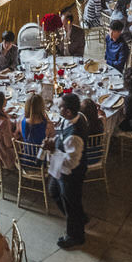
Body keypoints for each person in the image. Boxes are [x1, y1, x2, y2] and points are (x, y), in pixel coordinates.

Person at [44, 93, 88, 249]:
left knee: (71, 202)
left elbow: (71, 162)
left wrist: (52, 149)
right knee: (54, 191)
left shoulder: (74, 136)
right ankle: (79, 218)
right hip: (60, 169)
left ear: (68, 111)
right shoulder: (73, 117)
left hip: (71, 174)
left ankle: (75, 236)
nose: (57, 107)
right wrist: (53, 141)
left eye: (60, 106)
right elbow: (60, 135)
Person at [19, 93, 51, 167]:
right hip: (41, 161)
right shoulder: (47, 125)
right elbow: (52, 139)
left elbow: (22, 135)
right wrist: (47, 119)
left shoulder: (22, 121)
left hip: (26, 159)